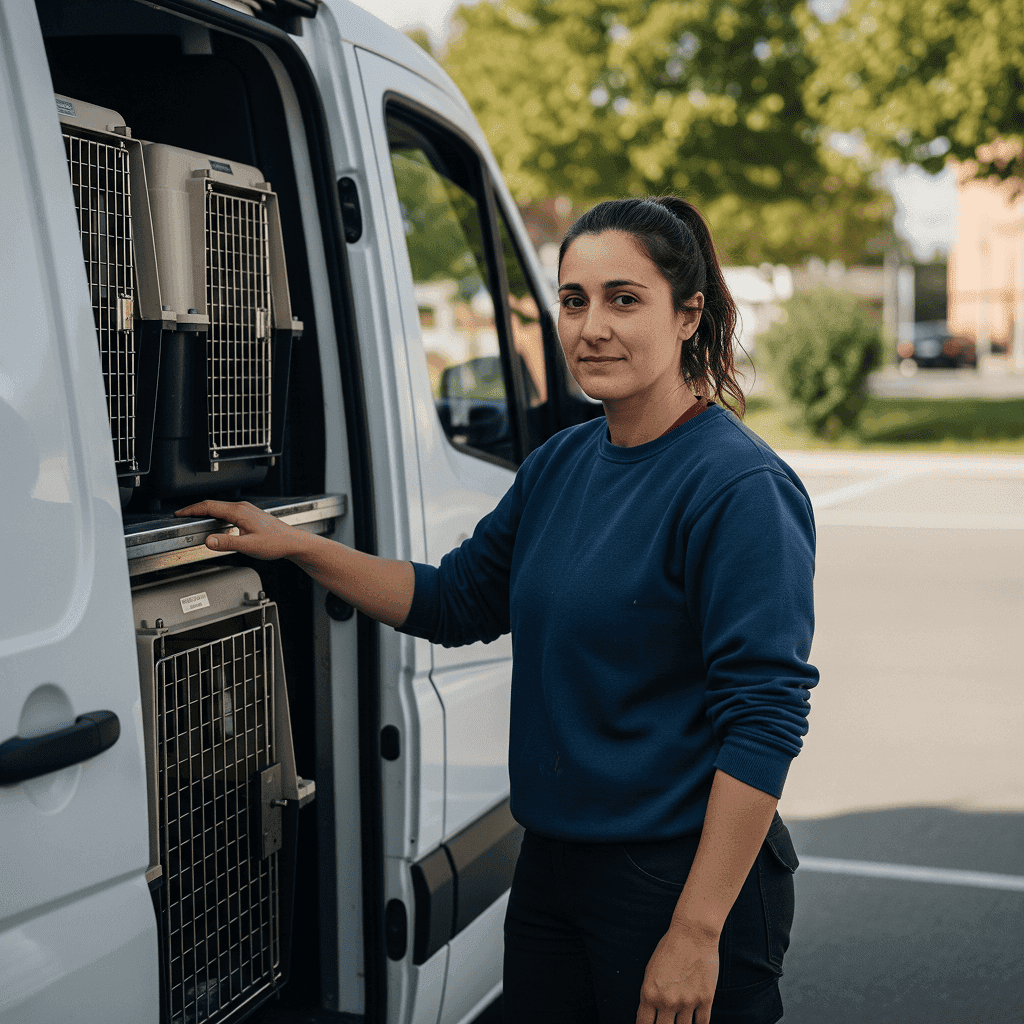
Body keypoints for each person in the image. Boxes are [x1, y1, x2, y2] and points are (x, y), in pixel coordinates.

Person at [176, 195, 817, 1024]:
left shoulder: (738, 488)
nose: (592, 327)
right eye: (574, 299)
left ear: (688, 314)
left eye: (625, 299)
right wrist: (297, 547)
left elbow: (764, 719)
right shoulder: (561, 464)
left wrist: (696, 930)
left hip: (679, 876)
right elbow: (455, 598)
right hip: (555, 868)